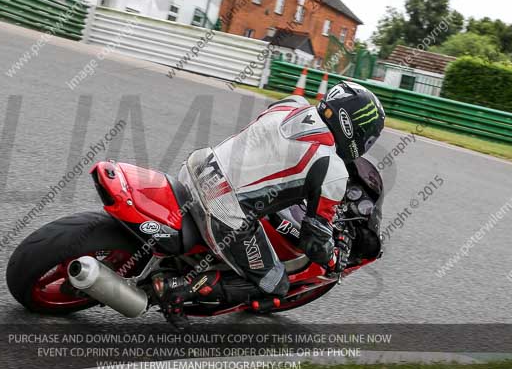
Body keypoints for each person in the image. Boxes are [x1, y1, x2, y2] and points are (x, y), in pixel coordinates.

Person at [154, 82, 386, 326]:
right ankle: (178, 289)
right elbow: (314, 241)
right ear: (355, 129)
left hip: (198, 167)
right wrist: (333, 259)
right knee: (276, 283)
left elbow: (274, 150)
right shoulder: (333, 168)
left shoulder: (292, 104)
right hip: (223, 209)